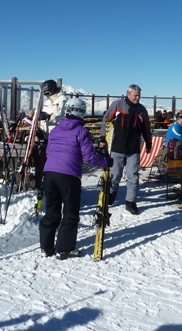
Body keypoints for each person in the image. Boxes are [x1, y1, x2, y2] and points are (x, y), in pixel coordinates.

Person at [39, 98, 110, 260]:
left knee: (51, 211)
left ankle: (46, 247)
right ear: (81, 113)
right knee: (70, 213)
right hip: (69, 175)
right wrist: (106, 161)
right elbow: (89, 156)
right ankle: (64, 249)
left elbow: (49, 152)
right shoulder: (81, 131)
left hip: (49, 173)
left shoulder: (55, 130)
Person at [100, 84, 152, 215]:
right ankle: (111, 193)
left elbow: (146, 128)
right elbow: (106, 121)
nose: (138, 98)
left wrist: (148, 143)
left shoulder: (141, 110)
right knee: (115, 175)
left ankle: (130, 202)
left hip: (133, 148)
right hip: (117, 147)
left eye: (139, 95)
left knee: (133, 176)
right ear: (128, 94)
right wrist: (102, 138)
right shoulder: (117, 105)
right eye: (135, 95)